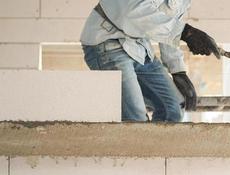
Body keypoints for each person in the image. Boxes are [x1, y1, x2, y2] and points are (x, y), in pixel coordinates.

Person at [80, 0, 220, 122]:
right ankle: (135, 149)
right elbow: (131, 13)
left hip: (140, 47)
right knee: (135, 119)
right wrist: (186, 33)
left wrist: (177, 70)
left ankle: (157, 152)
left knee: (173, 110)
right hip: (107, 42)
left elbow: (171, 23)